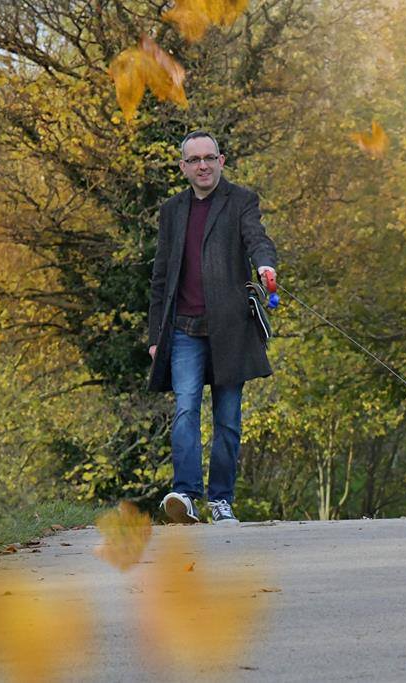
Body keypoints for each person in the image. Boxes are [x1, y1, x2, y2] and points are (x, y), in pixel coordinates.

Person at [147, 130, 277, 524]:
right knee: (185, 410)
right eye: (194, 160)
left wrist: (266, 265)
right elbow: (160, 275)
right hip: (183, 330)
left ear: (221, 161)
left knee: (228, 420)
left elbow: (257, 239)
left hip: (230, 330)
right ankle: (185, 496)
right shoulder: (172, 210)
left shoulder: (241, 201)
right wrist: (156, 337)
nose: (202, 165)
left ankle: (221, 499)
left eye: (209, 158)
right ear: (183, 167)